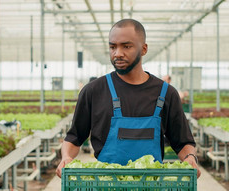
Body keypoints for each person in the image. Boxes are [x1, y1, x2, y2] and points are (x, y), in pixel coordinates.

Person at [56, 19, 201, 178]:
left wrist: (190, 158)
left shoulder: (166, 93)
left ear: (144, 49)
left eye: (126, 46)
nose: (117, 53)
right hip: (104, 185)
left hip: (151, 185)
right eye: (113, 47)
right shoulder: (93, 91)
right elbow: (74, 138)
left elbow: (183, 142)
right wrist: (66, 157)